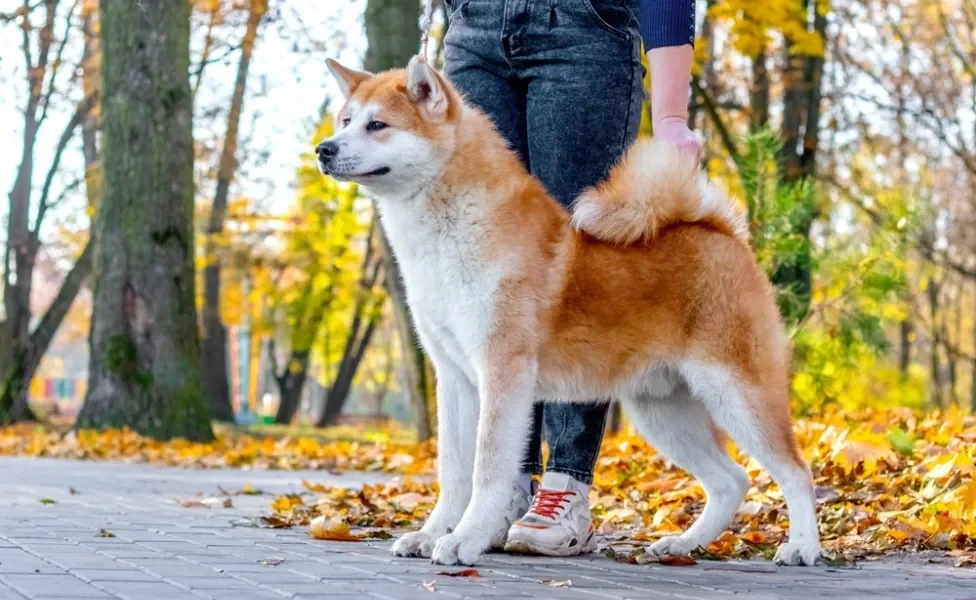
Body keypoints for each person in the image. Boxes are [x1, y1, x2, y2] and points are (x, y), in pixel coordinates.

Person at [442, 0, 701, 556]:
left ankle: (565, 483)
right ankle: (502, 487)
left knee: (582, 260)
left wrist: (673, 116)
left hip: (583, 30)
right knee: (485, 254)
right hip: (474, 32)